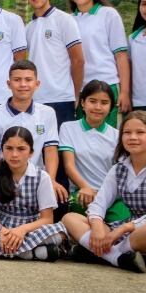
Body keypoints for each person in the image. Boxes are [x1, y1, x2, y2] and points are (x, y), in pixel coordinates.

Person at [60, 111, 146, 273]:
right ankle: (117, 257)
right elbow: (99, 203)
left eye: (140, 132)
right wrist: (96, 226)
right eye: (127, 132)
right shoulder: (119, 169)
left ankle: (97, 253)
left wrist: (122, 229)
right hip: (129, 231)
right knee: (70, 218)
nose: (133, 137)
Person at [0, 126, 67, 261]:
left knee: (60, 233)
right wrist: (2, 231)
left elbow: (47, 219)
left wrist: (21, 231)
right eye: (9, 148)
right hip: (0, 225)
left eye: (21, 149)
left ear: (31, 152)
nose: (14, 154)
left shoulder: (42, 177)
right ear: (2, 150)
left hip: (30, 228)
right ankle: (29, 253)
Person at [59, 80, 131, 225]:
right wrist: (85, 187)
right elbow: (69, 166)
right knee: (82, 224)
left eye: (104, 102)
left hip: (111, 196)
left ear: (111, 106)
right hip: (81, 194)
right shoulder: (68, 128)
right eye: (92, 101)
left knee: (123, 223)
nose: (98, 107)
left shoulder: (117, 135)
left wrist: (104, 195)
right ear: (83, 103)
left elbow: (121, 172)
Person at [0, 61, 59, 186]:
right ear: (9, 84)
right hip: (4, 179)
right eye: (17, 80)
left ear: (37, 84)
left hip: (37, 178)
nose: (23, 84)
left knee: (61, 200)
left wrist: (50, 181)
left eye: (28, 80)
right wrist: (5, 182)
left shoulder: (47, 113)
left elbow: (50, 150)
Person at [67, 0, 130, 122]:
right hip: (77, 89)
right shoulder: (67, 19)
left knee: (107, 138)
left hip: (105, 85)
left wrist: (125, 92)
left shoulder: (108, 14)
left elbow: (121, 56)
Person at [23, 0, 83, 127]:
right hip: (36, 100)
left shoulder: (64, 20)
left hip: (61, 98)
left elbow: (78, 60)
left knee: (62, 149)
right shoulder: (28, 28)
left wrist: (75, 95)